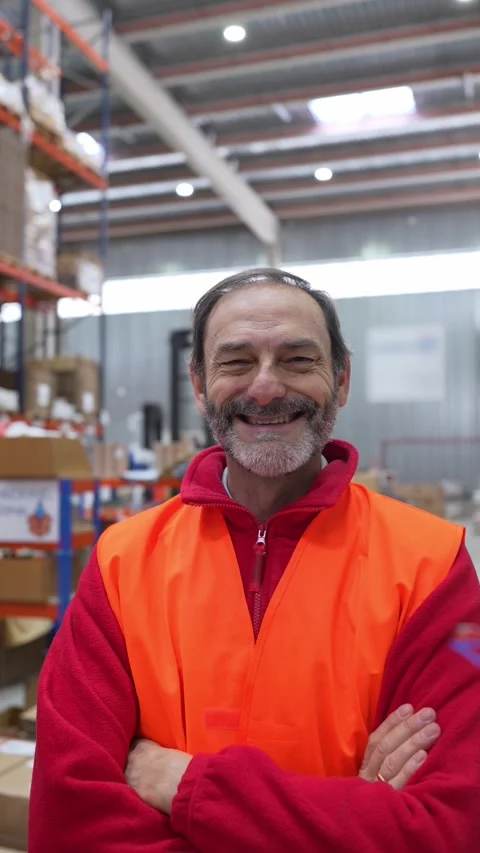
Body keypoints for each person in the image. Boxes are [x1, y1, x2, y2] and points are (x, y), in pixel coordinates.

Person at [29, 269, 480, 852]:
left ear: (341, 381)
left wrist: (189, 788)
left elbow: (449, 828)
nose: (265, 388)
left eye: (297, 359)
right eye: (236, 362)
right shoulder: (121, 562)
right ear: (199, 384)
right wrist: (348, 815)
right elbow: (70, 819)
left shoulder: (432, 567)